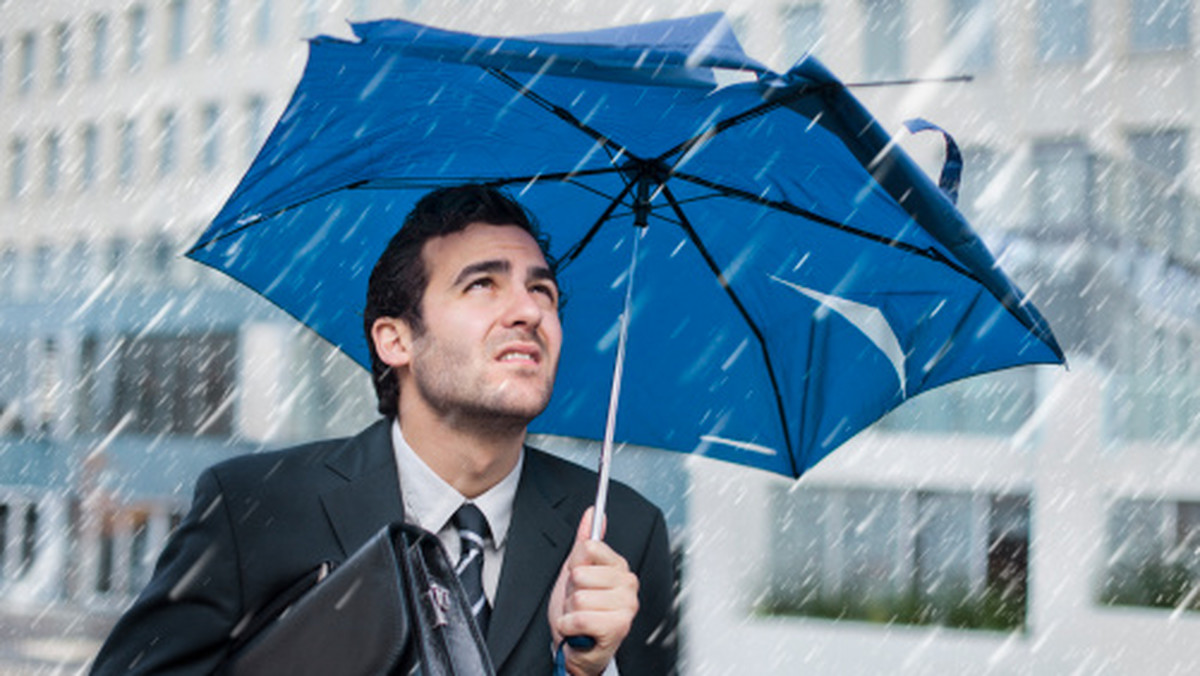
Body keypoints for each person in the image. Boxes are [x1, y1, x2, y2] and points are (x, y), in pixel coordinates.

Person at [90, 185, 678, 676]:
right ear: (395, 340)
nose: (527, 311)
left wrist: (589, 672)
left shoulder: (622, 533)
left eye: (541, 290)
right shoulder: (254, 507)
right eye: (482, 285)